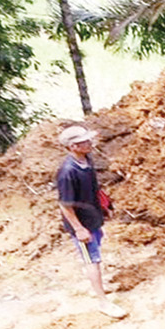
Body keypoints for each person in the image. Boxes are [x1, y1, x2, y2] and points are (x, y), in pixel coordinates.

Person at [55, 125, 126, 318]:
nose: (89, 143)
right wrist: (79, 229)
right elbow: (65, 205)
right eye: (84, 141)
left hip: (93, 217)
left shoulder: (87, 160)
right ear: (73, 147)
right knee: (91, 259)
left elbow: (94, 187)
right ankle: (103, 302)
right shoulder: (68, 172)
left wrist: (105, 205)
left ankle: (99, 288)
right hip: (82, 224)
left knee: (96, 253)